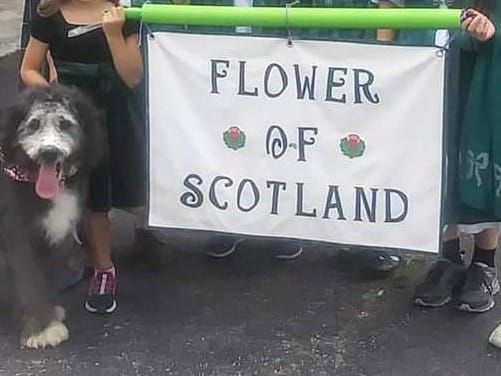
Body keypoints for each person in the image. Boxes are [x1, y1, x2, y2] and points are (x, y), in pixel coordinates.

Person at [20, 0, 146, 314]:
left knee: (110, 190)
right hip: (66, 119)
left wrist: (114, 35)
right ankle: (87, 261)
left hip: (110, 116)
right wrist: (53, 93)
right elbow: (28, 68)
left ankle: (114, 261)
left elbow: (133, 76)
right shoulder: (49, 15)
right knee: (74, 193)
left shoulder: (121, 15)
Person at [413, 1, 501, 313]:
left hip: (485, 67)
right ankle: (447, 257)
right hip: (427, 59)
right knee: (433, 158)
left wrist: (493, 31)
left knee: (483, 154)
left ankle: (484, 263)